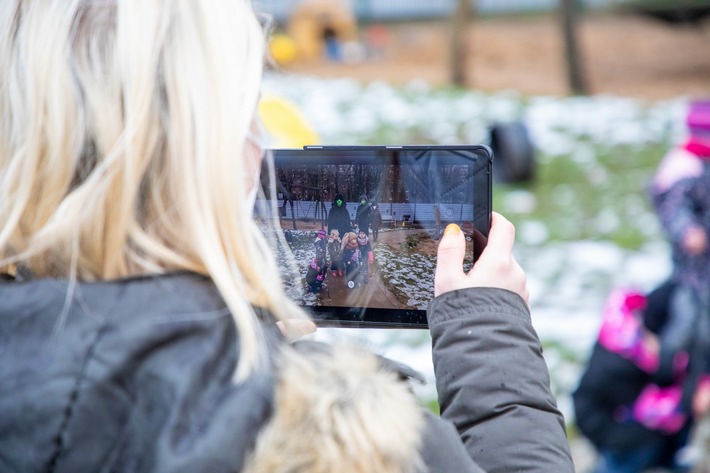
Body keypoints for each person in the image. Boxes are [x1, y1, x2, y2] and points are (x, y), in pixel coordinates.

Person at [0, 2, 574, 472]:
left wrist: (237, 333)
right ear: (216, 152)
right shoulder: (345, 443)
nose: (262, 143)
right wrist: (488, 332)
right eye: (249, 112)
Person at [573, 281, 707, 473]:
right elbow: (679, 404)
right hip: (617, 435)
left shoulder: (647, 318)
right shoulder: (622, 361)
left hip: (636, 430)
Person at [648, 100, 710, 387]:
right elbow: (671, 206)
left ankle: (698, 378)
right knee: (686, 323)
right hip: (691, 269)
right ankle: (665, 376)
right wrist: (688, 231)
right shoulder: (684, 165)